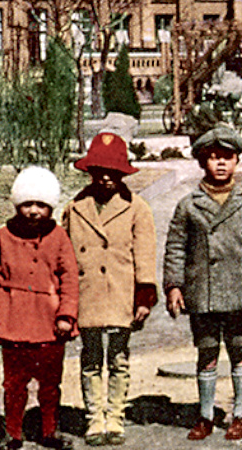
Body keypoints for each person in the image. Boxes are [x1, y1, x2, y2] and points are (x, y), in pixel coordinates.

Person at [163, 124, 242, 441]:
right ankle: (206, 414)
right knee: (207, 352)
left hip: (239, 291)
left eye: (226, 156)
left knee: (239, 350)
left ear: (237, 160)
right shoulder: (188, 205)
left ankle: (240, 412)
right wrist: (174, 285)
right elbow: (175, 248)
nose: (220, 163)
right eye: (212, 158)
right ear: (202, 163)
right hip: (203, 293)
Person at [62, 132, 159, 446]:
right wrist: (63, 299)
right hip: (86, 293)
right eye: (99, 171)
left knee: (118, 359)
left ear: (123, 173)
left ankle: (115, 418)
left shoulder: (137, 207)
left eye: (113, 172)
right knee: (90, 360)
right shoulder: (74, 208)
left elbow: (144, 254)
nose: (105, 178)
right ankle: (94, 419)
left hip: (122, 294)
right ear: (89, 172)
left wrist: (144, 295)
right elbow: (62, 256)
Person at [0, 167, 79, 450]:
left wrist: (66, 315)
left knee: (50, 384)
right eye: (27, 204)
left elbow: (70, 278)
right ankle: (13, 433)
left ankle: (50, 431)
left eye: (41, 205)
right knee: (13, 383)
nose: (34, 211)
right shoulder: (2, 237)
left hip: (49, 322)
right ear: (17, 204)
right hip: (13, 323)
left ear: (50, 207)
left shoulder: (58, 237)